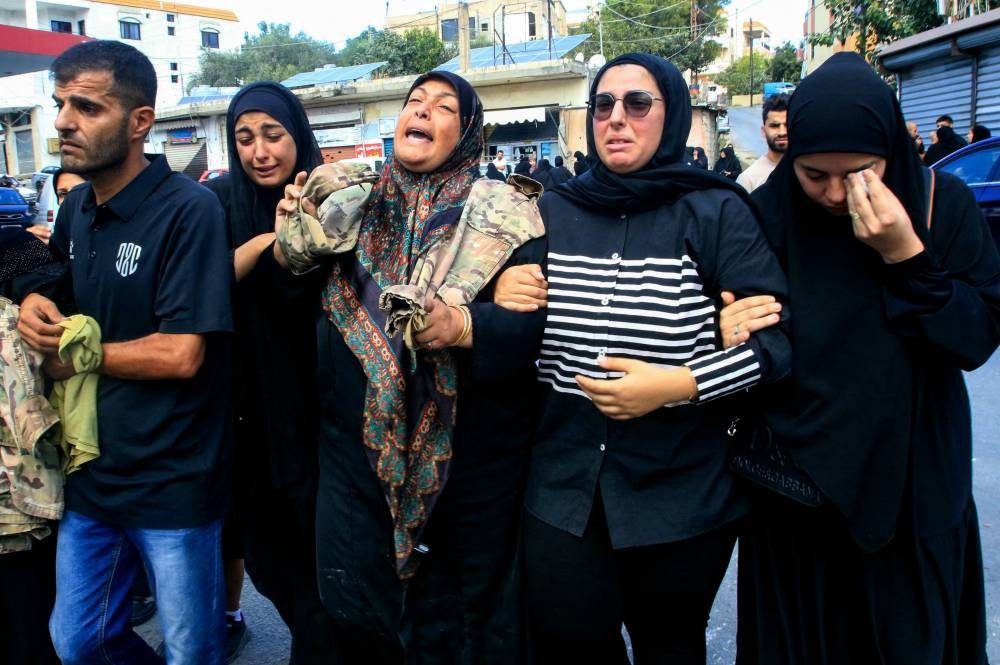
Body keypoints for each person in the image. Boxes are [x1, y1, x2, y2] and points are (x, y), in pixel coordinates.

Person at [495, 52, 791, 664]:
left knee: (670, 648)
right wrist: (500, 293)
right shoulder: (552, 212)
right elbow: (502, 319)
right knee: (570, 643)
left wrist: (678, 383)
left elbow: (774, 347)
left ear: (672, 115)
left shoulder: (716, 211)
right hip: (562, 484)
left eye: (637, 104)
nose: (616, 119)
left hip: (680, 491)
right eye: (603, 105)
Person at [721, 51, 998, 665]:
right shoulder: (766, 214)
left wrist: (907, 255)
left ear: (890, 155)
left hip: (911, 489)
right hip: (797, 496)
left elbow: (976, 340)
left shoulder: (940, 206)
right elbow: (754, 343)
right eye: (815, 173)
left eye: (861, 172)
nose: (835, 194)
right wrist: (731, 327)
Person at [274, 70, 546, 664]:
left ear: (467, 131)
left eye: (443, 106)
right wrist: (295, 233)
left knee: (459, 625)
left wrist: (461, 324)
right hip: (354, 461)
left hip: (465, 472)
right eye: (413, 102)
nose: (421, 111)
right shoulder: (350, 204)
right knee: (358, 618)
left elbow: (529, 332)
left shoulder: (505, 219)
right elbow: (295, 301)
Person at [16, 40, 233, 664]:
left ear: (140, 122)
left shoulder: (189, 211)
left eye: (86, 107)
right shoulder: (77, 207)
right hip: (92, 475)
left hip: (173, 480)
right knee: (78, 642)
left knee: (191, 651)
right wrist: (33, 296)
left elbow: (181, 354)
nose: (62, 122)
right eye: (60, 105)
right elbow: (51, 278)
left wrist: (76, 356)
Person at [203, 80, 338, 664]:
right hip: (248, 418)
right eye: (245, 138)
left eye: (274, 135)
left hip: (325, 419)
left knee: (325, 576)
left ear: (298, 135)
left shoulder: (331, 196)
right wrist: (268, 241)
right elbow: (199, 287)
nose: (260, 152)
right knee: (267, 564)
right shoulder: (216, 203)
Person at [736, 93, 789, 192]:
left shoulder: (809, 174)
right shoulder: (748, 180)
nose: (782, 132)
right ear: (763, 131)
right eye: (775, 126)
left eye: (787, 124)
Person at [26, 168, 86, 244]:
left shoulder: (102, 236)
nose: (70, 199)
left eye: (79, 191)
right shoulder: (60, 241)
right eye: (63, 194)